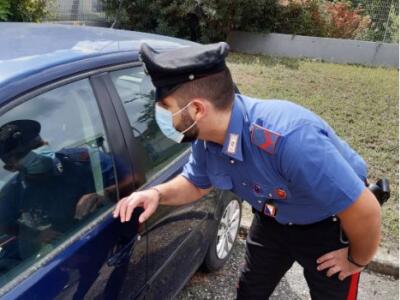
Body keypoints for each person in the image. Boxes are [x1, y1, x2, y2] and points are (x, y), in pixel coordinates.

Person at [113, 42, 381, 299]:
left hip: (326, 226)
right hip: (272, 220)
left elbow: (365, 210)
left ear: (196, 109)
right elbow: (196, 183)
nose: (161, 117)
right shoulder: (206, 138)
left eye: (166, 109)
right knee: (250, 291)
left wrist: (356, 260)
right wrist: (156, 194)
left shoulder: (288, 138)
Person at [0, 120, 117, 267]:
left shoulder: (84, 159)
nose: (34, 154)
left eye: (36, 145)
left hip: (109, 239)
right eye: (22, 154)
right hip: (61, 258)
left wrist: (104, 194)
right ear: (11, 167)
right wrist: (36, 236)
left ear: (46, 142)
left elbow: (135, 180)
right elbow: (5, 225)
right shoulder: (13, 193)